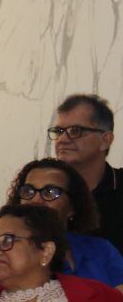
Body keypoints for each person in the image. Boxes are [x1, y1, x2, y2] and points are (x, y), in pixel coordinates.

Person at [5, 157, 123, 289]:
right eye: (28, 191)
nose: (36, 200)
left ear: (72, 207)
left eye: (50, 192)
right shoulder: (5, 252)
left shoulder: (101, 251)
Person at [49, 94, 123, 254]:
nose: (62, 139)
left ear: (106, 140)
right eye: (59, 131)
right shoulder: (43, 192)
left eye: (75, 131)